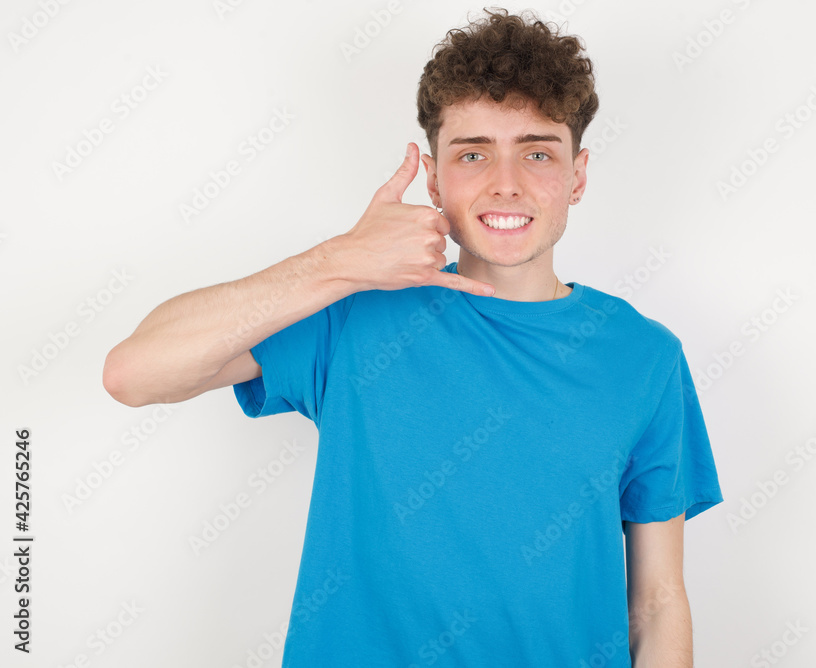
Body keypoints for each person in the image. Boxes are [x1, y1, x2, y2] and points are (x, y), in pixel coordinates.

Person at [103, 7, 723, 667]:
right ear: (432, 177)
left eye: (537, 151)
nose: (505, 183)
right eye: (473, 153)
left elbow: (656, 602)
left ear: (578, 175)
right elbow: (134, 373)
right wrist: (337, 260)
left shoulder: (644, 357)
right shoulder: (356, 310)